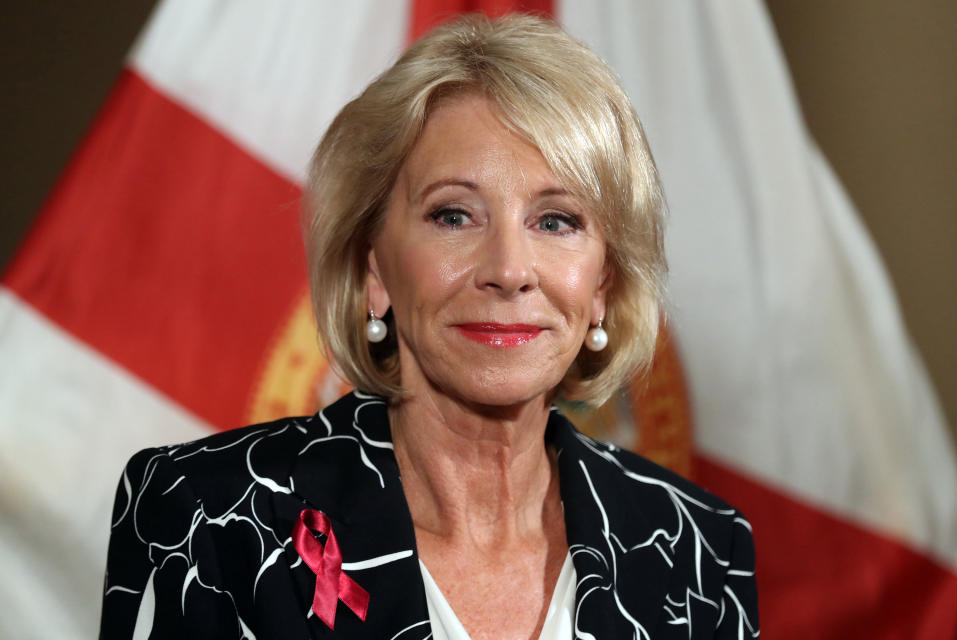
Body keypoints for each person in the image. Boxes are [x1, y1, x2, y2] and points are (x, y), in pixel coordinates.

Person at [100, 14, 758, 640]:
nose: (508, 270)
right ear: (375, 267)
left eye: (556, 221)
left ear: (602, 285)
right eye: (453, 215)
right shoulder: (209, 515)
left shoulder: (700, 548)